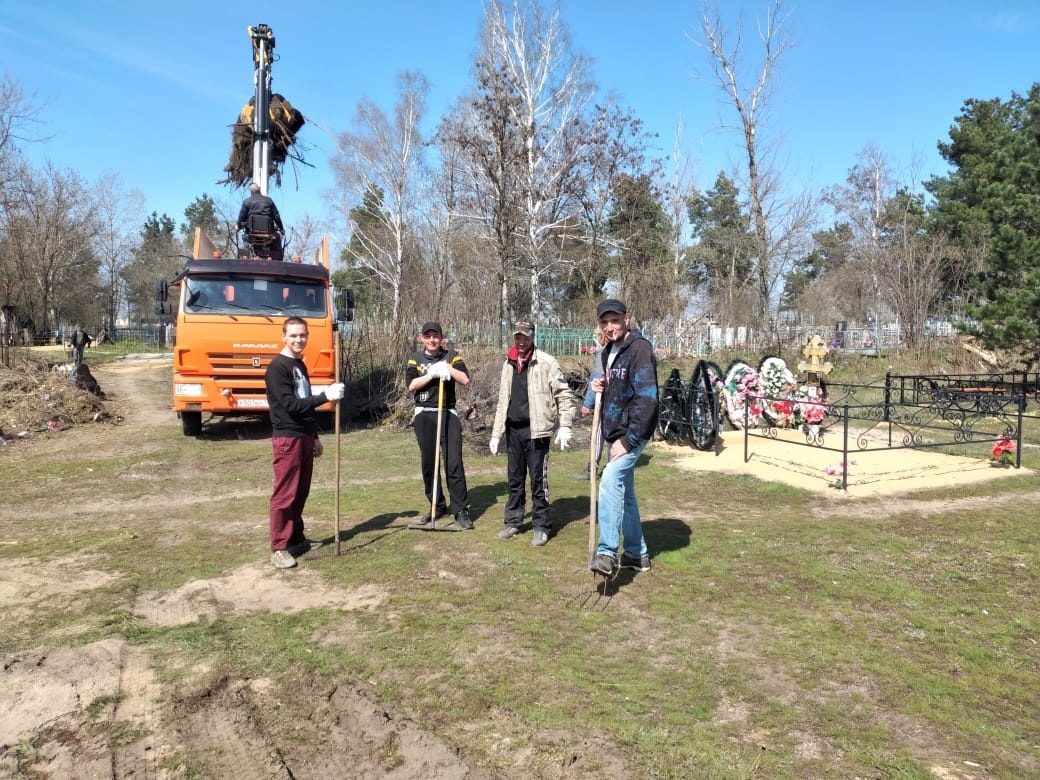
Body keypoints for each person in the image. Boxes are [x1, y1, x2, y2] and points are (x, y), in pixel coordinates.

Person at [488, 319, 578, 546]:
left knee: (539, 480)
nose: (521, 341)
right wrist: (496, 433)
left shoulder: (546, 362)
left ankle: (541, 526)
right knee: (514, 480)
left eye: (525, 336)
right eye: (518, 336)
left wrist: (565, 424)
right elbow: (502, 400)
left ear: (533, 337)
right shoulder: (508, 363)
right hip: (513, 431)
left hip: (537, 431)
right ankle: (513, 521)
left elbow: (564, 395)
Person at [264, 316, 345, 569]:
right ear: (283, 336)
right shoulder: (278, 368)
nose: (299, 340)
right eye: (294, 335)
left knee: (300, 492)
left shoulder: (299, 365)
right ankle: (279, 547)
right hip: (288, 437)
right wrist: (325, 396)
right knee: (285, 494)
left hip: (304, 435)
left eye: (303, 335)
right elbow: (290, 405)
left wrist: (315, 436)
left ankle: (296, 539)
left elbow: (304, 403)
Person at [588, 299, 659, 577]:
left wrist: (628, 440)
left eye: (615, 321)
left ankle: (606, 552)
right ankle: (636, 554)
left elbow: (647, 399)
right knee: (625, 495)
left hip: (633, 433)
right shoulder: (608, 352)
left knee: (609, 481)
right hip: (615, 432)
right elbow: (618, 384)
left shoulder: (640, 350)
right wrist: (600, 386)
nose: (610, 327)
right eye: (605, 322)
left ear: (626, 318)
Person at [405, 321, 473, 531]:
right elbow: (411, 385)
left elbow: (465, 379)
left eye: (435, 336)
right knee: (429, 464)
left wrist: (447, 368)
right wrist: (431, 374)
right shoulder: (415, 358)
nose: (432, 340)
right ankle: (437, 505)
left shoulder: (452, 356)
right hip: (424, 414)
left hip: (447, 413)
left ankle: (460, 510)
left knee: (453, 463)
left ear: (441, 338)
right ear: (422, 338)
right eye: (428, 336)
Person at [575, 328, 609, 481]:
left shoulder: (603, 353)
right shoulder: (617, 351)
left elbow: (596, 379)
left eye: (598, 336)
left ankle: (592, 469)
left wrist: (587, 404)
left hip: (605, 403)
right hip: (616, 404)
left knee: (599, 436)